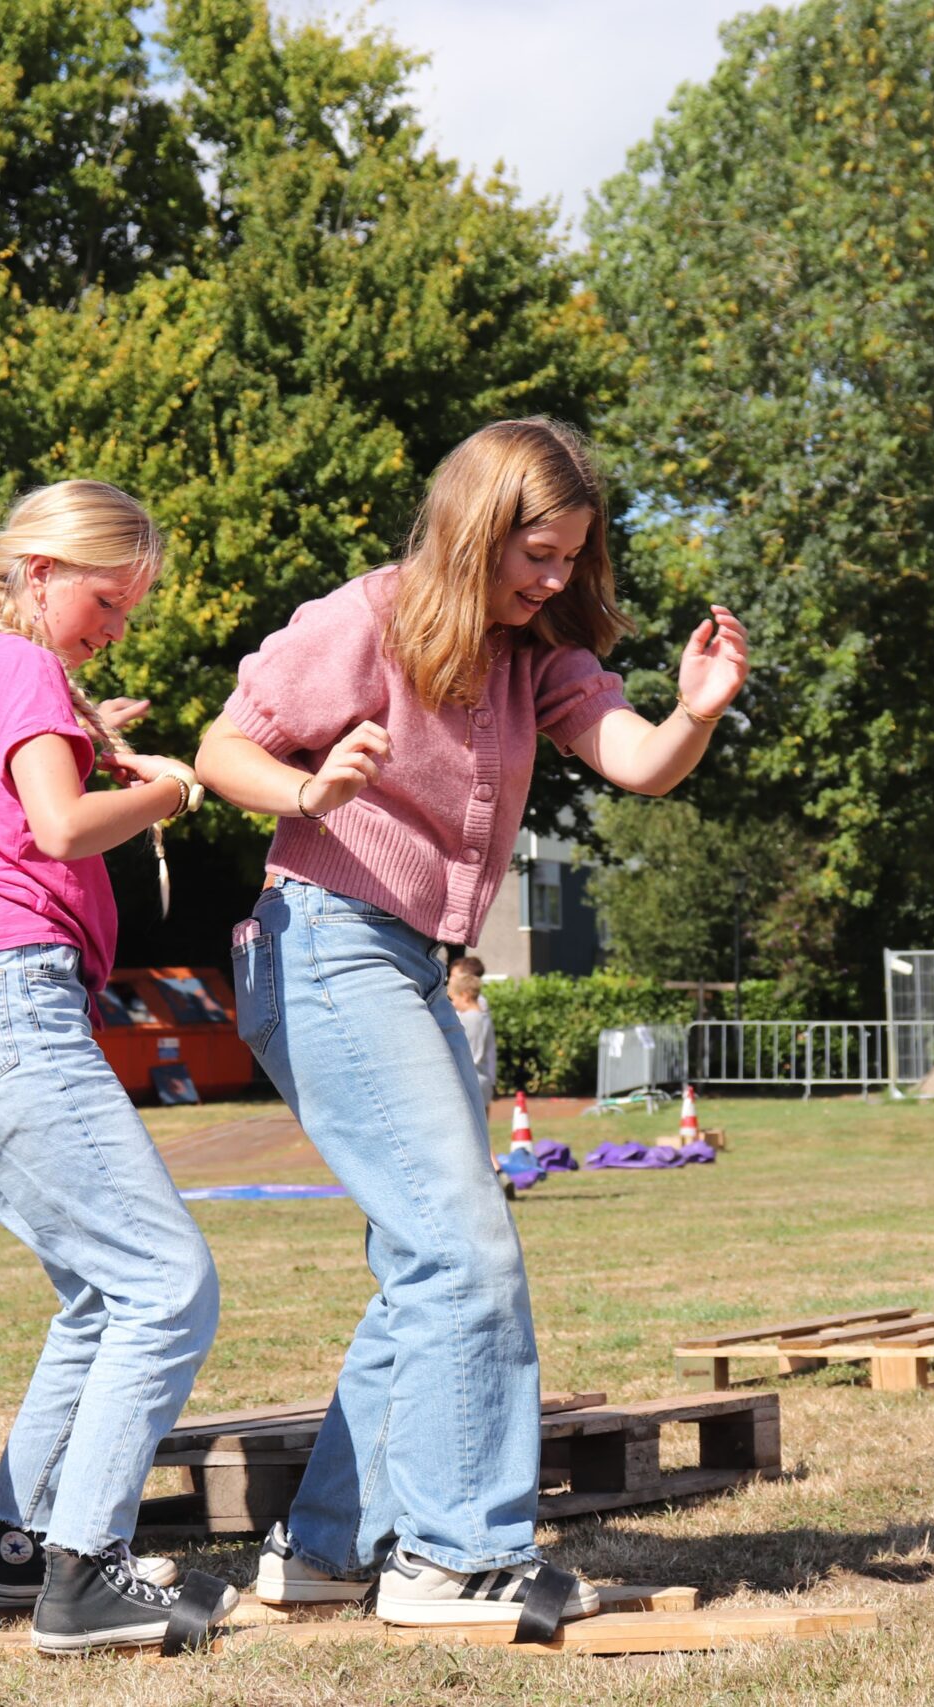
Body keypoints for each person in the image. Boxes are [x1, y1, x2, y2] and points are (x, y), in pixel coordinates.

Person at [197, 417, 749, 1630]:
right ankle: (451, 1560)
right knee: (463, 1253)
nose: (554, 580)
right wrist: (309, 788)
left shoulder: (530, 651)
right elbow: (222, 748)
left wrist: (697, 711)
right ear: (472, 528)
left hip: (405, 960)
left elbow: (640, 761)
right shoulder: (366, 618)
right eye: (536, 554)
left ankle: (327, 1549)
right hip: (325, 941)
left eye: (572, 558)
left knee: (428, 1262)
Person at [0, 480, 236, 1653]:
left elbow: (13, 807)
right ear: (37, 572)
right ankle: (85, 1577)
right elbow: (57, 827)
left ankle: (27, 1548)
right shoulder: (22, 665)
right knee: (165, 1285)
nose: (113, 629)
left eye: (129, 612)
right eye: (106, 601)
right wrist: (168, 788)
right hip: (8, 996)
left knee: (99, 1292)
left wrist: (91, 749)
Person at [449, 958, 497, 1107]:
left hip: (467, 1080)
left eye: (454, 999)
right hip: (484, 1079)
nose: (452, 1004)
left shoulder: (462, 1020)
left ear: (465, 996)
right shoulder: (483, 1016)